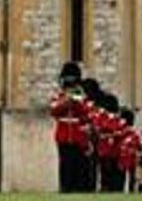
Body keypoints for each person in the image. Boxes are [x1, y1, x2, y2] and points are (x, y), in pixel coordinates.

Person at [52, 63, 94, 193]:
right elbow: (54, 110)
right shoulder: (59, 96)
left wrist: (77, 101)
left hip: (77, 136)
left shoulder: (81, 96)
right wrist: (66, 101)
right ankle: (65, 187)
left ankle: (78, 188)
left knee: (78, 164)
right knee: (65, 163)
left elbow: (87, 113)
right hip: (63, 135)